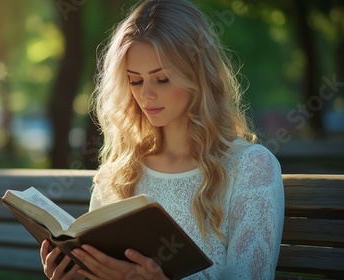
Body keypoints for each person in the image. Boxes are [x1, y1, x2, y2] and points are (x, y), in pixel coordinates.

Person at [40, 0, 285, 279]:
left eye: (162, 79)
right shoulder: (120, 173)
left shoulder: (251, 167)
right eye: (135, 81)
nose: (146, 95)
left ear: (198, 74)